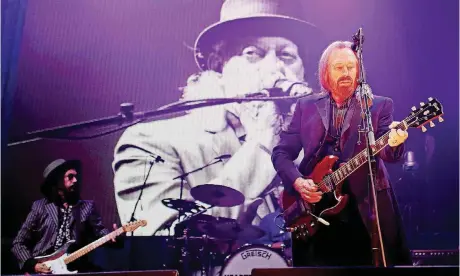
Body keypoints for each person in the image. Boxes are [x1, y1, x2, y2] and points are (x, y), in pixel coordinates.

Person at [112, 0, 316, 237]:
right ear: (217, 68)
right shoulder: (150, 142)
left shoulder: (320, 150)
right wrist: (262, 143)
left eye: (287, 55)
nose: (274, 68)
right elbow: (161, 239)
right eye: (252, 53)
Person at [271, 41, 412, 266]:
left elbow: (389, 154)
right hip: (314, 210)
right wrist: (298, 182)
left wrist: (394, 142)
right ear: (325, 72)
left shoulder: (377, 106)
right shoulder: (305, 106)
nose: (346, 73)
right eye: (339, 67)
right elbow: (281, 153)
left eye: (351, 67)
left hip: (365, 210)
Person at [11, 159, 120, 274]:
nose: (76, 180)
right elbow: (18, 243)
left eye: (76, 176)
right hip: (43, 269)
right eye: (70, 177)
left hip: (75, 268)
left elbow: (100, 233)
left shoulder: (87, 207)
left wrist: (114, 237)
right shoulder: (40, 207)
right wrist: (33, 266)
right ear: (57, 181)